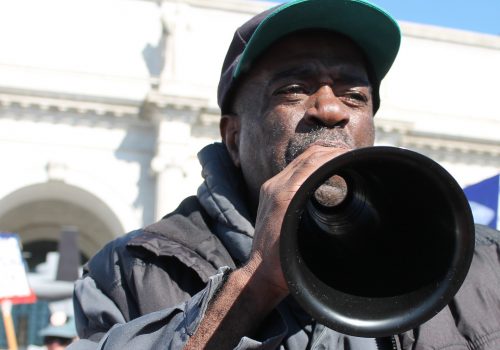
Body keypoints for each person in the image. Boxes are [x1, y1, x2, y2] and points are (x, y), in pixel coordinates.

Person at [69, 0, 500, 349]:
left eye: (354, 96)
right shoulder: (129, 272)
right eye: (293, 89)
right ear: (234, 137)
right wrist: (253, 283)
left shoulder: (481, 262)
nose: (330, 110)